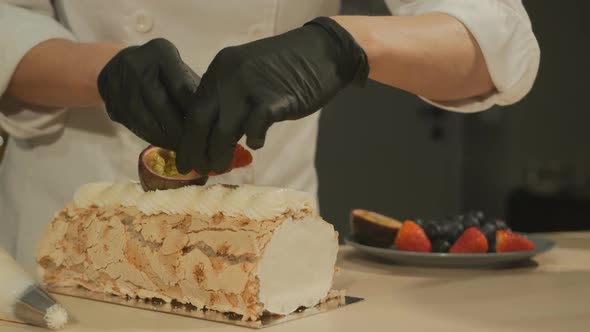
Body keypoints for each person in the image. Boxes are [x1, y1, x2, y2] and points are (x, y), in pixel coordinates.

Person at [0, 0, 540, 268]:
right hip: (70, 234)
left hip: (267, 249)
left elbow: (495, 43)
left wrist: (342, 43)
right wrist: (102, 71)